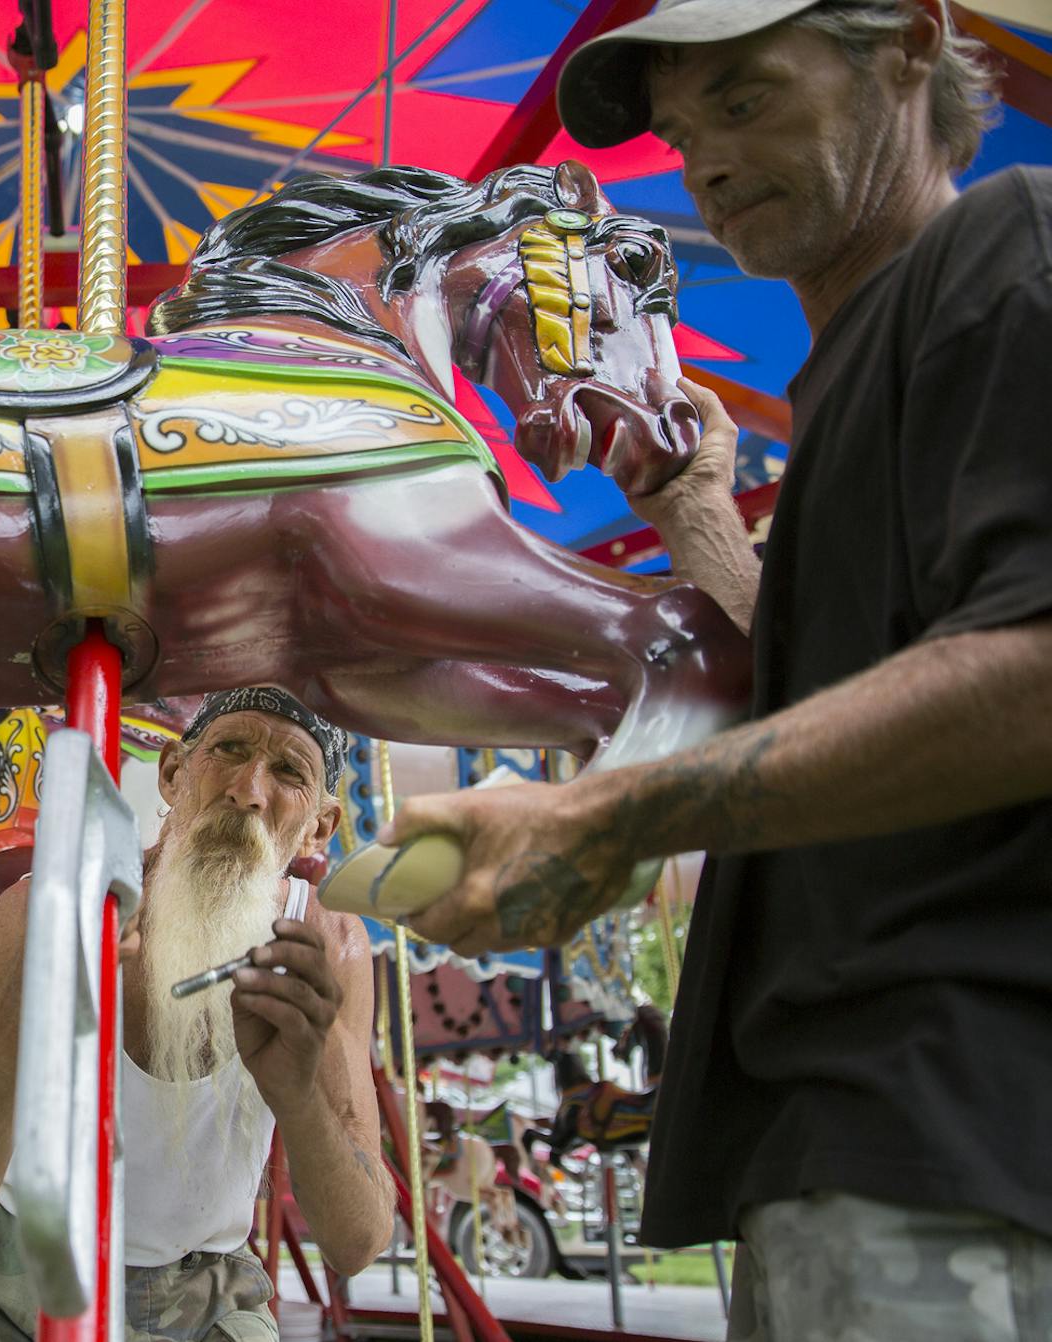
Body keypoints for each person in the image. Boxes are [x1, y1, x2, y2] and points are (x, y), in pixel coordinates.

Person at [387, 0, 1052, 1335]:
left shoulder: (1005, 246)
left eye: (746, 102)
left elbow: (1034, 667)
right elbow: (846, 694)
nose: (708, 163)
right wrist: (697, 512)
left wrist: (607, 810)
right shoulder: (848, 375)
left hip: (957, 1119)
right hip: (825, 1136)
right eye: (687, 136)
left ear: (912, 44)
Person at [0, 689, 394, 1342]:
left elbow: (358, 1241)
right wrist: (37, 1003)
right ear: (174, 774)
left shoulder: (328, 942)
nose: (248, 790)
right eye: (229, 750)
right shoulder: (48, 907)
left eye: (289, 772)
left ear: (320, 825)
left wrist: (298, 1094)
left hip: (205, 1295)